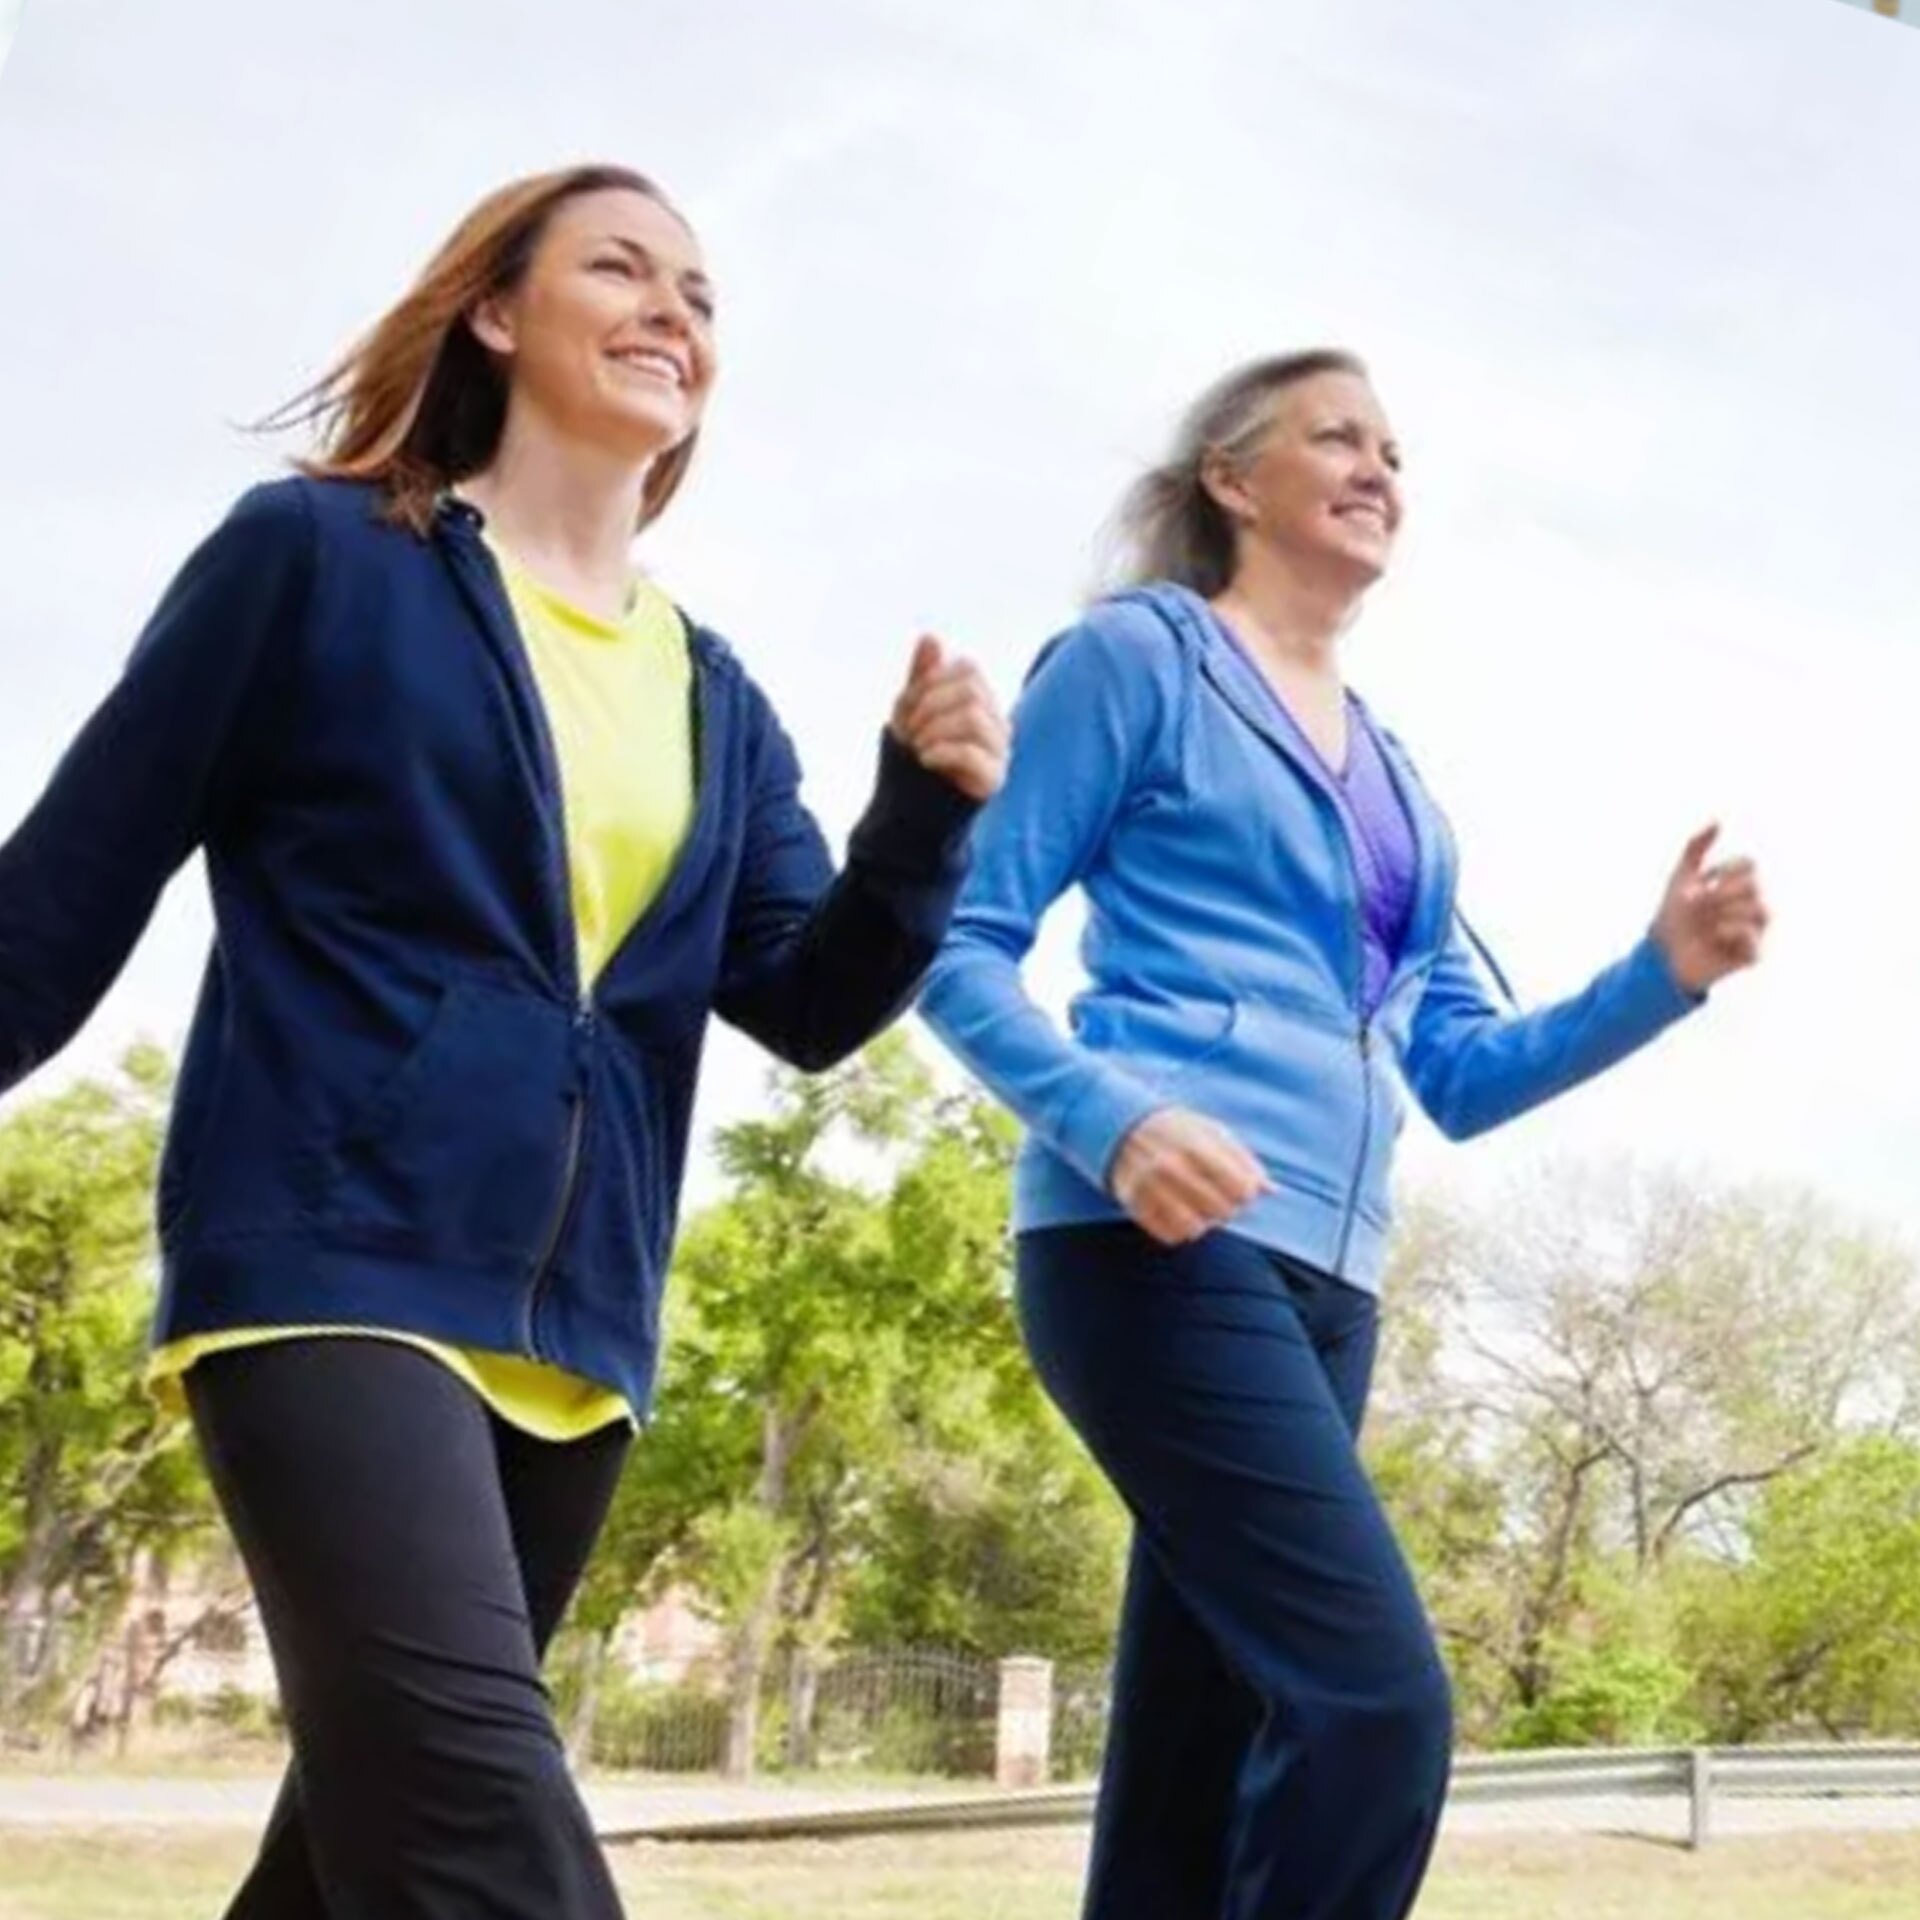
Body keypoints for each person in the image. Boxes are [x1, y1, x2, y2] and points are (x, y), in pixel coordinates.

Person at [0, 162, 1008, 1918]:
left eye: (700, 295)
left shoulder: (712, 691)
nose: (673, 311)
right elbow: (67, 887)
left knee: (357, 1861)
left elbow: (808, 1001)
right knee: (487, 1842)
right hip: (330, 1272)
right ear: (491, 310)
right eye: (620, 268)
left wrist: (919, 820)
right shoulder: (318, 558)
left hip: (573, 1345)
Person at [916, 348, 1767, 1920]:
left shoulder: (1398, 788)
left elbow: (1462, 1071)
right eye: (1339, 438)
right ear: (1232, 480)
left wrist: (1661, 975)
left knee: (1197, 1756)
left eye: (1395, 451)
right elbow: (954, 944)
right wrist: (1115, 1122)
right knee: (1377, 1707)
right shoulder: (1139, 661)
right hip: (1152, 1243)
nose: (1381, 469)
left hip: (1333, 1283)